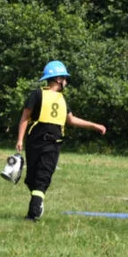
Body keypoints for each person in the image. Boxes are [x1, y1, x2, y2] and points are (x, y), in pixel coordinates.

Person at [15, 61, 107, 221]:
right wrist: (20, 139)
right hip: (34, 142)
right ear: (58, 79)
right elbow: (25, 117)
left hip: (53, 143)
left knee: (43, 176)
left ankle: (33, 212)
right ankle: (38, 199)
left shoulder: (62, 99)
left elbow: (71, 120)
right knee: (31, 179)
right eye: (65, 78)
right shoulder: (36, 94)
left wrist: (94, 125)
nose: (66, 82)